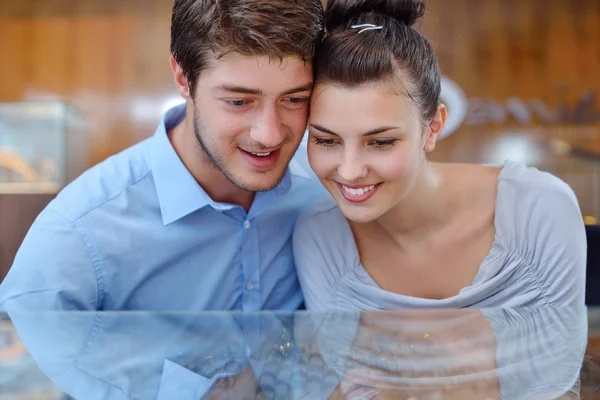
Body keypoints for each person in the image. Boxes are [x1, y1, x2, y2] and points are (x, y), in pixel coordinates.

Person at [0, 0, 325, 312]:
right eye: (239, 102)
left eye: (294, 100)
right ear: (183, 78)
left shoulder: (324, 190)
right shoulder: (80, 232)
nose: (269, 134)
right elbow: (15, 362)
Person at [293, 0, 587, 309]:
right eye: (326, 141)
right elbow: (338, 358)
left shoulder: (539, 212)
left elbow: (558, 356)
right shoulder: (319, 236)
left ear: (433, 128)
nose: (350, 171)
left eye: (380, 142)